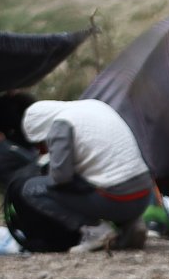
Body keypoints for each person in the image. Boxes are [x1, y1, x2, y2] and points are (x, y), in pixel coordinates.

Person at [21, 99, 154, 252]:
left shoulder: (61, 124)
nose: (42, 148)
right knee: (98, 175)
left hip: (116, 199)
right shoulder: (94, 106)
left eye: (41, 143)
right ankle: (131, 225)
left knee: (32, 188)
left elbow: (61, 177)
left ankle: (95, 231)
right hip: (143, 194)